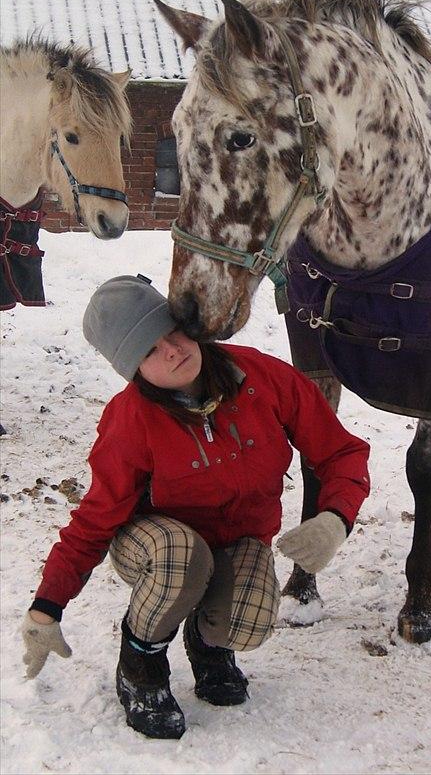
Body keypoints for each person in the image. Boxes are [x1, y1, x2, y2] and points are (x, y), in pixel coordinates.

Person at [20, 274, 370, 740]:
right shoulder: (130, 420)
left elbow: (341, 451)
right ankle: (141, 665)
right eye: (149, 351)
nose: (171, 351)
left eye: (172, 332)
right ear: (133, 370)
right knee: (181, 556)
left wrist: (335, 519)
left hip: (237, 537)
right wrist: (46, 608)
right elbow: (94, 520)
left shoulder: (261, 377)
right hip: (156, 547)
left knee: (250, 621)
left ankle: (207, 644)